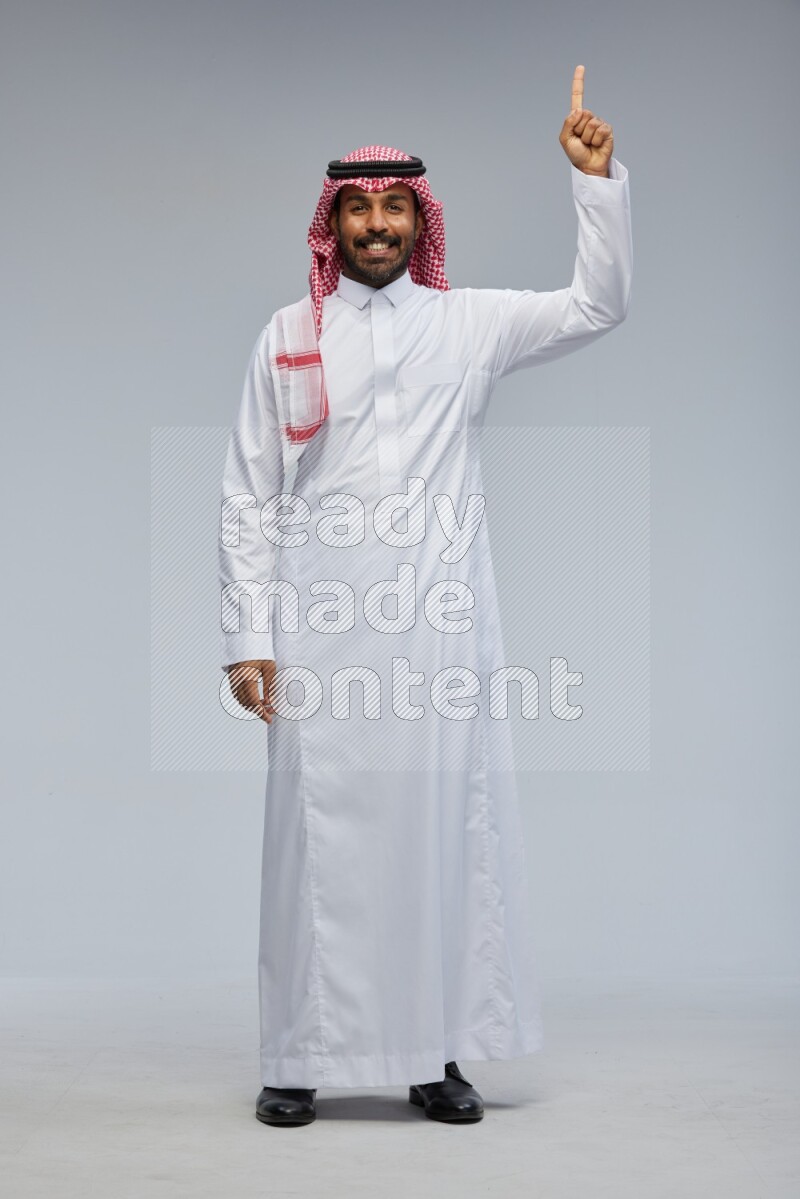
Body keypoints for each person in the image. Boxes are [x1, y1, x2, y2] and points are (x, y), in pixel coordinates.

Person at [217, 65, 632, 1127]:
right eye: (357, 208)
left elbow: (597, 304)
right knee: (314, 848)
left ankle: (434, 1054)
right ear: (332, 223)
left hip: (441, 633)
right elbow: (249, 493)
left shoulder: (467, 324)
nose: (375, 224)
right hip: (318, 633)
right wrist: (248, 635)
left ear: (419, 219)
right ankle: (297, 1055)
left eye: (394, 206)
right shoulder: (288, 334)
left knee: (441, 839)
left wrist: (594, 184)